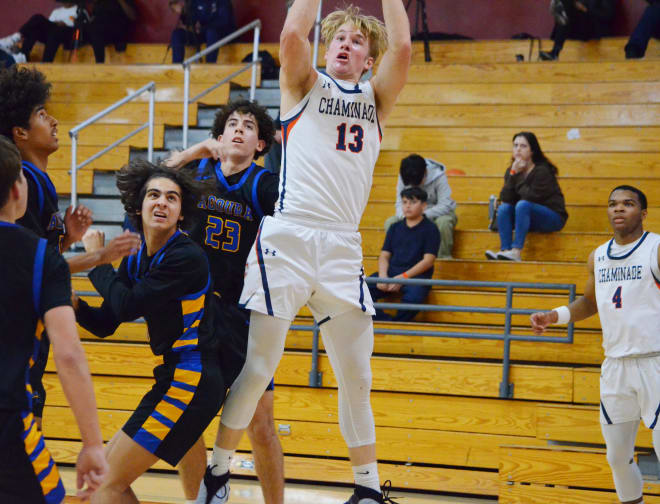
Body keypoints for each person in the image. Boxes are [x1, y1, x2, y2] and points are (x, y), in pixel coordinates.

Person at [194, 1, 412, 503]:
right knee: (260, 367)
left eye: (357, 41)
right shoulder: (304, 86)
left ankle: (367, 491)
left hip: (341, 246)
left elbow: (402, 46)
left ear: (367, 59)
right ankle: (220, 473)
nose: (345, 44)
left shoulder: (377, 99)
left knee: (358, 376)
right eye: (338, 36)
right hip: (289, 238)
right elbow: (292, 35)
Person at [73, 160, 226, 504]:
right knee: (103, 482)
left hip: (192, 379)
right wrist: (75, 306)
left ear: (181, 212)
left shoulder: (186, 256)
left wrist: (97, 259)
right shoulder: (136, 255)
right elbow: (107, 323)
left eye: (172, 198)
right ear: (138, 206)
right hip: (173, 376)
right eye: (154, 195)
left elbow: (127, 305)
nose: (162, 202)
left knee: (103, 485)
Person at [0, 64, 141, 430]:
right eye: (41, 115)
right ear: (20, 133)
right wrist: (99, 257)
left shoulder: (39, 183)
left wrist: (66, 238)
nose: (55, 121)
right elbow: (29, 264)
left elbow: (38, 252)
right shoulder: (23, 181)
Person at [165, 100, 284, 504]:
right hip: (195, 314)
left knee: (261, 424)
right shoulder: (198, 175)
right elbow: (157, 183)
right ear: (219, 136)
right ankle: (201, 497)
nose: (238, 130)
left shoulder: (263, 185)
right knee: (186, 417)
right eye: (231, 124)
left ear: (261, 143)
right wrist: (193, 151)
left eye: (248, 126)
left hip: (243, 316)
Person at [530, 185, 660, 504]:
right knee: (616, 456)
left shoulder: (655, 249)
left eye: (628, 204)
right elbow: (590, 303)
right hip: (615, 367)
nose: (618, 209)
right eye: (613, 204)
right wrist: (554, 316)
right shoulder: (598, 256)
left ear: (642, 213)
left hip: (655, 363)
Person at [0, 135, 108, 503]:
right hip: (8, 424)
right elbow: (68, 353)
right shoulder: (40, 256)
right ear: (18, 189)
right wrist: (92, 443)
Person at [485, 132, 568, 262]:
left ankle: (516, 251)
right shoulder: (512, 170)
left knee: (523, 205)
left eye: (523, 146)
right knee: (504, 208)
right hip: (526, 217)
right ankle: (505, 251)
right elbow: (506, 198)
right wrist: (512, 174)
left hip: (552, 217)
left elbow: (530, 197)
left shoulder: (542, 171)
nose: (518, 149)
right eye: (515, 145)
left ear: (532, 151)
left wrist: (516, 175)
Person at [369, 187, 440, 322]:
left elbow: (428, 261)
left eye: (413, 202)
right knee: (361, 290)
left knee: (415, 297)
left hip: (416, 277)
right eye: (404, 202)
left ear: (424, 206)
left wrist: (403, 277)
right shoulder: (394, 227)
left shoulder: (431, 229)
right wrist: (383, 276)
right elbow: (384, 255)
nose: (407, 206)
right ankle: (386, 322)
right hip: (391, 273)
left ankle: (397, 324)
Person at [384, 154, 456, 258]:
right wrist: (406, 217)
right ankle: (397, 259)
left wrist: (420, 214)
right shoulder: (404, 175)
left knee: (444, 223)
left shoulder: (439, 175)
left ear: (425, 172)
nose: (414, 186)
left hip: (436, 214)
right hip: (410, 214)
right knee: (391, 223)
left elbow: (445, 205)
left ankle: (443, 258)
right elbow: (399, 203)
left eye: (416, 183)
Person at [1, 2, 80, 63]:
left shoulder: (78, 9)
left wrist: (63, 24)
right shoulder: (56, 12)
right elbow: (48, 25)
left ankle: (45, 63)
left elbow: (77, 27)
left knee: (56, 31)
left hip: (66, 35)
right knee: (37, 21)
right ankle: (22, 53)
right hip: (51, 34)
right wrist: (55, 24)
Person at [539, 0, 616, 60]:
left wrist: (585, 9)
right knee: (566, 6)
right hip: (577, 29)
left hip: (594, 29)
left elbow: (607, 15)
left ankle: (555, 52)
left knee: (566, 10)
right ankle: (555, 52)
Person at [169, 0, 236, 64]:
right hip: (202, 33)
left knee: (211, 32)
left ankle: (209, 66)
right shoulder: (194, 1)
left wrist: (202, 28)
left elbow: (224, 21)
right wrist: (183, 11)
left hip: (220, 35)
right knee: (177, 34)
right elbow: (191, 22)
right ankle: (177, 66)